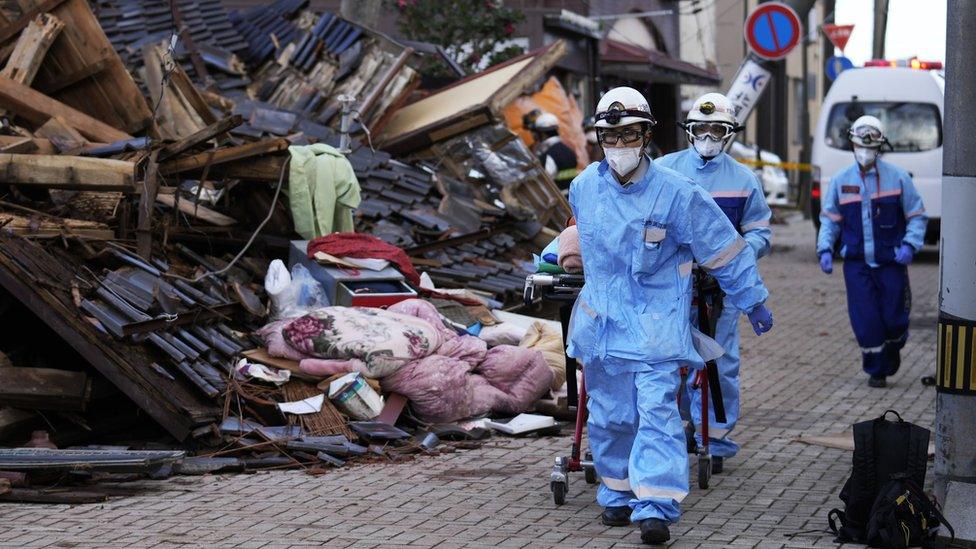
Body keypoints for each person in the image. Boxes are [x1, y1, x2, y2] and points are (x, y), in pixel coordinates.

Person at [567, 86, 774, 544]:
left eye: (630, 134)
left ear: (647, 135)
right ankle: (618, 493)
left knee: (658, 413)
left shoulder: (679, 193)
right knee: (610, 417)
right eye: (611, 136)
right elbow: (579, 241)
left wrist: (752, 298)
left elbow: (723, 250)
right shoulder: (583, 188)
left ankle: (657, 505)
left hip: (658, 327)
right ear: (600, 138)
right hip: (603, 327)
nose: (620, 146)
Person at [656, 92, 772, 475]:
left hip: (721, 292)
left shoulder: (743, 180)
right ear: (689, 131)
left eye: (716, 129)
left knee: (720, 364)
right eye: (700, 128)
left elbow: (759, 232)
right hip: (670, 289)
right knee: (669, 361)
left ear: (728, 134)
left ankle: (716, 438)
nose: (707, 136)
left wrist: (737, 255)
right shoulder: (663, 172)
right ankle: (679, 430)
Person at [816, 115, 927, 388]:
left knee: (894, 319)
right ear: (852, 144)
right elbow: (830, 219)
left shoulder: (898, 178)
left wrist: (910, 245)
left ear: (880, 146)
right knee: (865, 320)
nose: (865, 151)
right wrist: (825, 249)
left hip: (891, 262)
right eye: (859, 144)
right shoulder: (841, 181)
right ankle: (876, 370)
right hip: (857, 265)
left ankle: (894, 346)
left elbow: (917, 216)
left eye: (870, 145)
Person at [531, 111, 578, 189]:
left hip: (560, 199)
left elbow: (546, 182)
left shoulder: (549, 155)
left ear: (543, 134)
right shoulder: (569, 151)